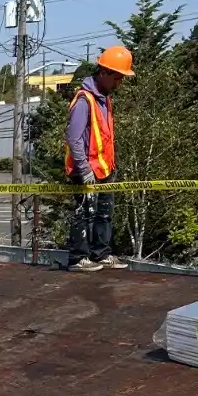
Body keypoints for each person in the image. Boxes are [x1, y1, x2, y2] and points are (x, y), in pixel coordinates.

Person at [64, 44, 134, 270]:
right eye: (118, 78)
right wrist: (84, 170)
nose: (119, 83)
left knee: (104, 214)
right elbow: (74, 138)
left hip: (104, 169)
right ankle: (78, 258)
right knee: (84, 213)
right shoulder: (84, 100)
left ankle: (101, 254)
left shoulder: (104, 99)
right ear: (104, 72)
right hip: (86, 171)